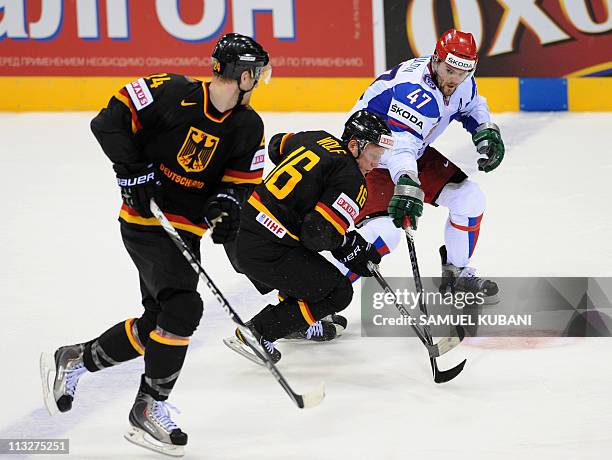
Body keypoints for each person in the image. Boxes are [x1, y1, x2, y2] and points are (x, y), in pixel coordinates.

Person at [39, 33, 270, 457]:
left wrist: (225, 208)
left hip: (185, 230)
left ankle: (78, 358)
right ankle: (149, 407)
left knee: (161, 325)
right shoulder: (170, 92)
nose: (260, 82)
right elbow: (107, 121)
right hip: (147, 222)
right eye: (258, 74)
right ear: (244, 74)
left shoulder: (248, 126)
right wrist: (132, 171)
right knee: (184, 309)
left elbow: (241, 184)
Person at [335, 28, 504, 303]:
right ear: (436, 60)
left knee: (470, 199)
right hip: (370, 159)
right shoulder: (413, 91)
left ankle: (457, 275)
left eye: (462, 73)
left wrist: (485, 129)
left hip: (410, 151)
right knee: (383, 236)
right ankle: (311, 300)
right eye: (450, 70)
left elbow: (471, 103)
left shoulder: (461, 79)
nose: (454, 79)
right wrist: (408, 182)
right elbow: (400, 148)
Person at [223, 110, 392, 363]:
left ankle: (294, 323)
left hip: (238, 230)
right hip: (266, 248)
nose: (375, 164)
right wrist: (349, 245)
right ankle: (257, 333)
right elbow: (317, 235)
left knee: (304, 255)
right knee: (338, 291)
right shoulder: (353, 182)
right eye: (373, 155)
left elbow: (276, 145)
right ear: (354, 145)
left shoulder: (318, 138)